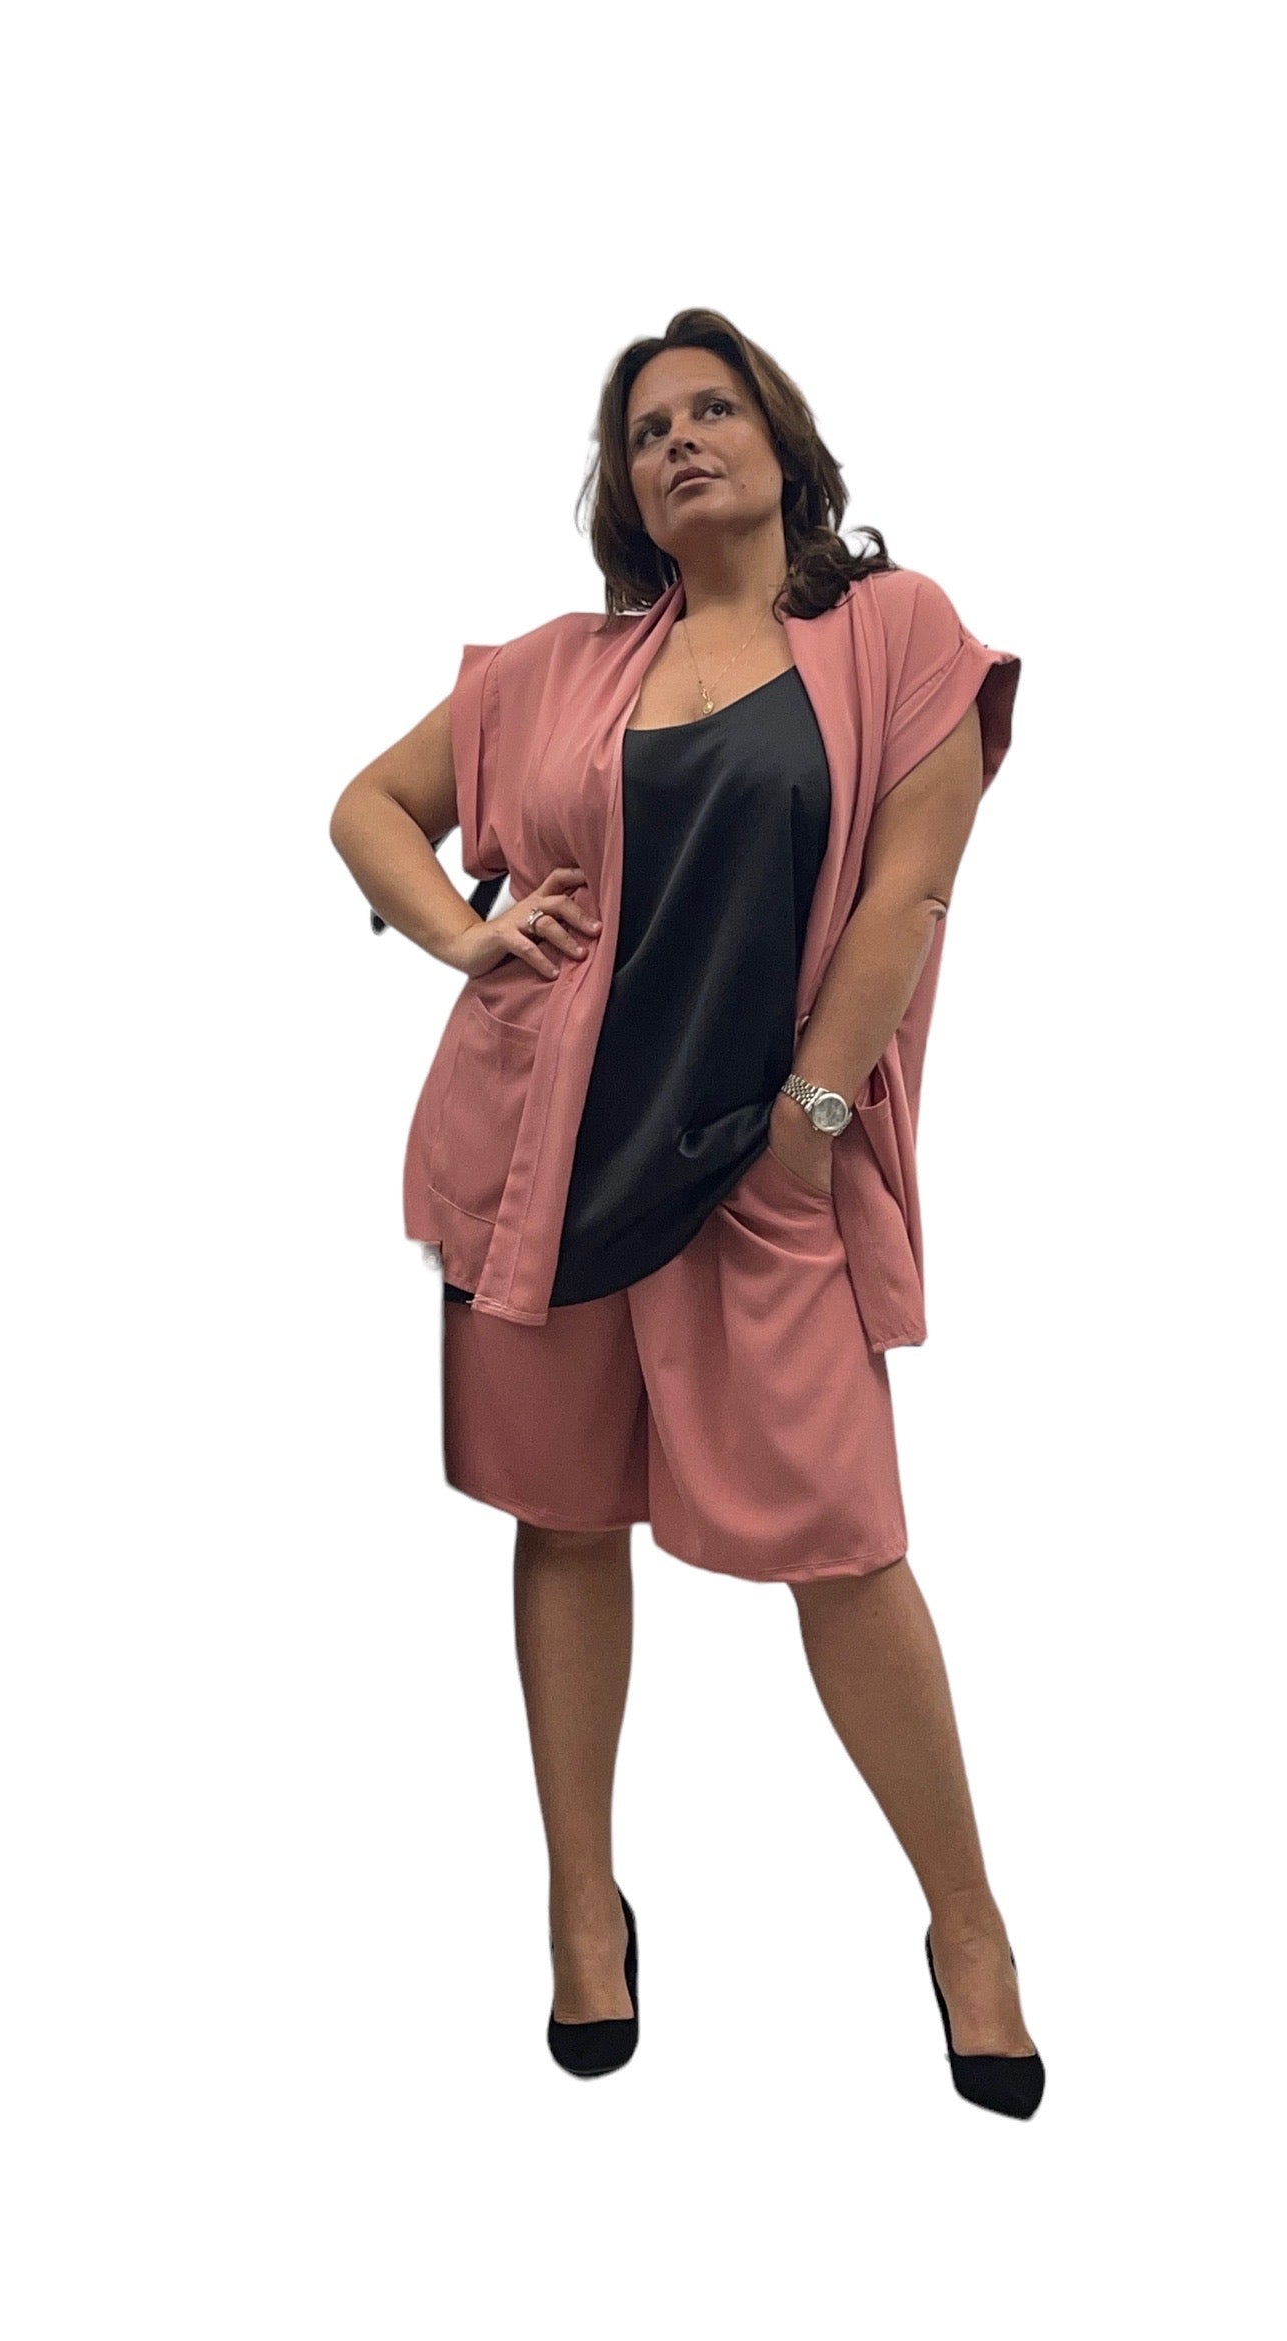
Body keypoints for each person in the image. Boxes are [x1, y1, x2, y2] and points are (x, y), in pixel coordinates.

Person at [330, 308, 1043, 2115]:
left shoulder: (895, 635)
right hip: (544, 1161)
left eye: (714, 409)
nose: (680, 442)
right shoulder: (553, 670)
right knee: (566, 1522)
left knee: (846, 1549)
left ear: (782, 445)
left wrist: (813, 1124)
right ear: (624, 490)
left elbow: (909, 897)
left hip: (762, 1163)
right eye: (646, 431)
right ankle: (584, 1908)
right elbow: (368, 809)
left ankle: (968, 1926)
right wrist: (468, 931)